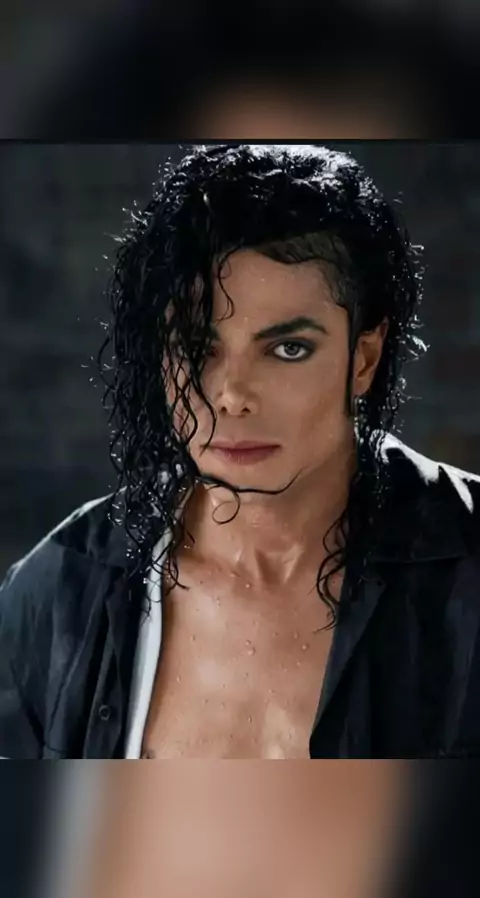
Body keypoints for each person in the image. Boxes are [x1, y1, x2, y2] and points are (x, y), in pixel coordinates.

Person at [1, 143, 480, 759]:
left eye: (287, 349)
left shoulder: (466, 564)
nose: (232, 396)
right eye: (197, 348)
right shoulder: (64, 585)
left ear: (363, 358)